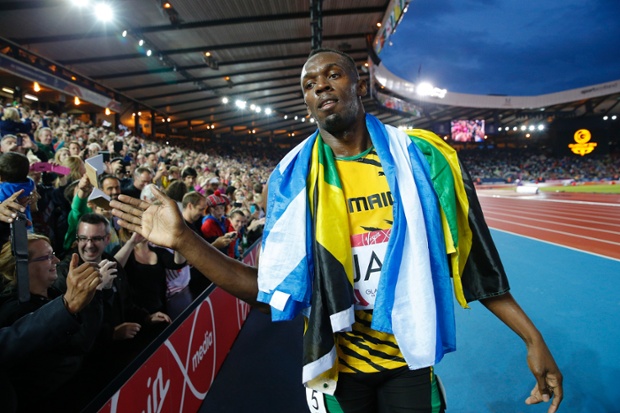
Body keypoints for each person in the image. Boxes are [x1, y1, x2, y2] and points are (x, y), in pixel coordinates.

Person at [111, 49, 563, 413]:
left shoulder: (425, 160)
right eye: (309, 84)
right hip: (336, 368)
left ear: (358, 83)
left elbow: (475, 265)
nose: (320, 85)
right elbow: (269, 293)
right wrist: (186, 242)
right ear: (306, 103)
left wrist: (532, 337)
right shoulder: (292, 181)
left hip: (408, 358)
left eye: (332, 75)